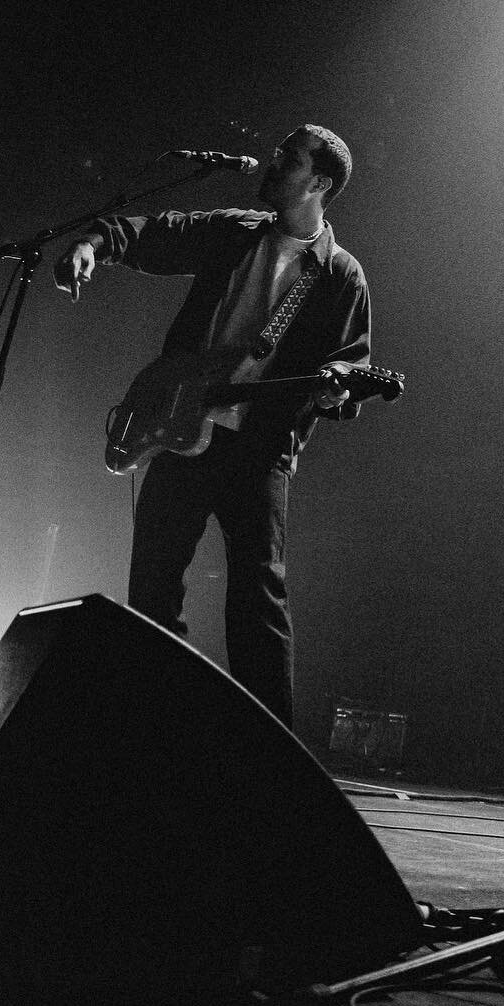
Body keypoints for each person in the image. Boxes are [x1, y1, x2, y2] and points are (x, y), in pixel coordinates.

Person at [53, 125, 369, 731]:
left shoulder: (339, 276)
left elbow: (351, 362)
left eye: (290, 157)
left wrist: (337, 386)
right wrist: (97, 241)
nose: (274, 161)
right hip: (182, 428)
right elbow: (154, 232)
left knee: (258, 600)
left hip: (259, 451)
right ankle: (158, 724)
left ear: (320, 183)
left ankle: (273, 752)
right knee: (152, 584)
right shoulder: (234, 230)